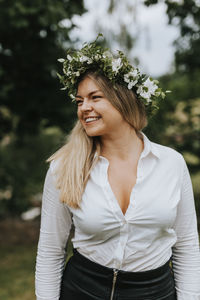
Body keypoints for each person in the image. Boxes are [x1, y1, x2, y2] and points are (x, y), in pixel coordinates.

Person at [35, 35, 200, 300]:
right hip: (83, 291)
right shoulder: (63, 167)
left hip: (155, 292)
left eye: (94, 97)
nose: (84, 108)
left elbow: (187, 247)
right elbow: (50, 252)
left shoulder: (171, 163)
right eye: (79, 101)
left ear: (123, 100)